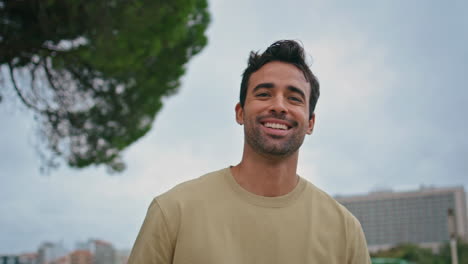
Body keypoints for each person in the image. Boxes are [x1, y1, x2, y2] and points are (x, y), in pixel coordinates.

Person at [127, 40, 371, 264]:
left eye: (294, 98)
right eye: (264, 94)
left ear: (310, 123)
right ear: (240, 112)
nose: (278, 106)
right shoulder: (172, 212)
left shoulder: (345, 231)